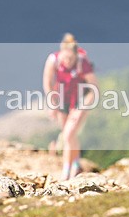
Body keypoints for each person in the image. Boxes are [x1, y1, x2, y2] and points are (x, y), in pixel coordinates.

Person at [42, 33, 98, 179]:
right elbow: (47, 83)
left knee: (68, 134)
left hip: (80, 99)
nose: (67, 62)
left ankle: (66, 171)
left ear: (75, 55)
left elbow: (94, 88)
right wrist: (52, 103)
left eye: (70, 59)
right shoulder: (53, 60)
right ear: (60, 53)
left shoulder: (82, 62)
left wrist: (83, 107)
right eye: (65, 58)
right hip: (62, 99)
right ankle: (75, 164)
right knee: (70, 136)